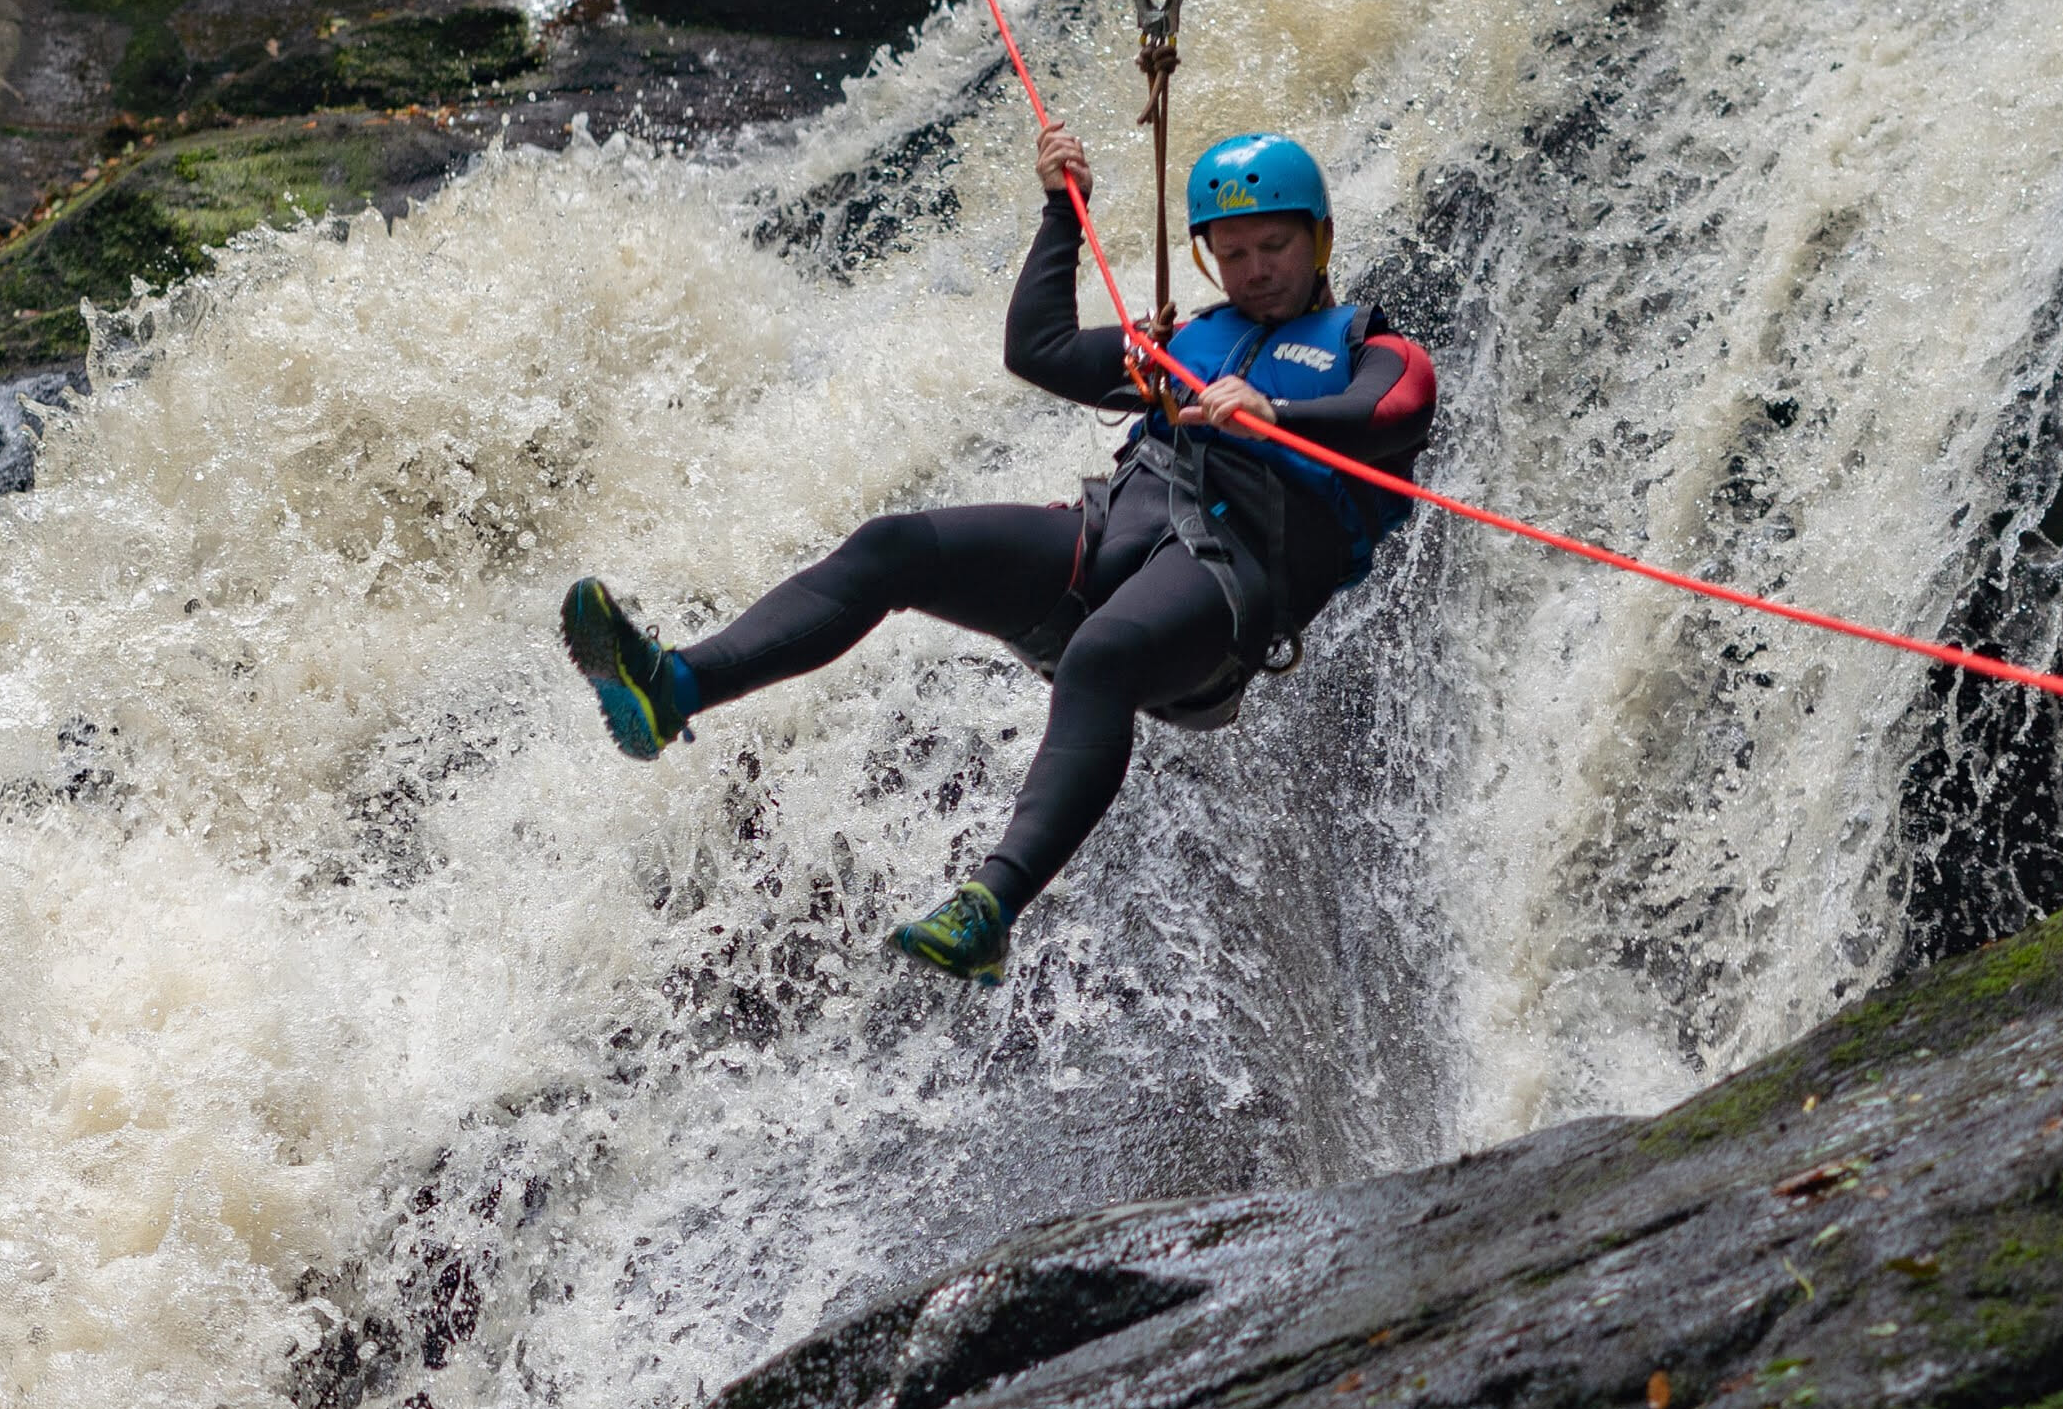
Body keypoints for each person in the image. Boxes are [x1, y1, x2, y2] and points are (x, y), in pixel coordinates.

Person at [556, 117, 1438, 984]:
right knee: (897, 546)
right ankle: (675, 687)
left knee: (1102, 656)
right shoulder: (1187, 343)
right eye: (1232, 252)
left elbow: (1395, 413)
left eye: (1274, 246)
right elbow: (1038, 348)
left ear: (1320, 238)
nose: (1253, 271)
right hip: (1109, 544)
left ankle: (990, 909)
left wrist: (1275, 414)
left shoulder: (1369, 348)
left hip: (1224, 594)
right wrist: (1062, 210)